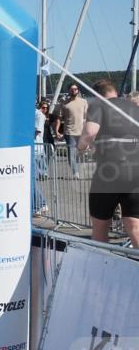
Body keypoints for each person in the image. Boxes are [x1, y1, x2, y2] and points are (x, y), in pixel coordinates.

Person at [78, 80, 139, 246]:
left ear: (97, 95)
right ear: (115, 92)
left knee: (100, 225)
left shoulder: (99, 105)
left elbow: (90, 132)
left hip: (110, 173)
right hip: (136, 172)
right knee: (134, 224)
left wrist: (82, 146)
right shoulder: (134, 108)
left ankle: (101, 264)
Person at [53, 84, 88, 178]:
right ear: (68, 90)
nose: (74, 91)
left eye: (75, 89)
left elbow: (87, 117)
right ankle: (75, 172)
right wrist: (56, 131)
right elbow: (59, 119)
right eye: (72, 89)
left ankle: (77, 169)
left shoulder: (84, 102)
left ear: (78, 90)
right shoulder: (64, 103)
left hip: (81, 132)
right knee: (71, 153)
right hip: (69, 132)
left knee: (81, 153)